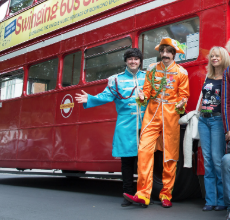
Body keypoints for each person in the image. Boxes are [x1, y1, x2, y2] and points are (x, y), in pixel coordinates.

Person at [75, 48, 146, 207]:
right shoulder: (116, 80)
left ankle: (143, 195)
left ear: (140, 61)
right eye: (130, 59)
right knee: (127, 162)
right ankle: (128, 194)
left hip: (146, 124)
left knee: (145, 162)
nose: (133, 61)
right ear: (126, 61)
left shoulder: (148, 77)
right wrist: (90, 98)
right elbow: (106, 96)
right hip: (125, 126)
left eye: (136, 59)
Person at [123, 38, 190, 208]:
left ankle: (166, 194)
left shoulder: (182, 72)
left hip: (171, 117)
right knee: (144, 151)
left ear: (174, 54)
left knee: (170, 156)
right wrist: (143, 95)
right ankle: (143, 194)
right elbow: (147, 90)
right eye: (163, 51)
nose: (165, 55)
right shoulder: (152, 69)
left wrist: (182, 103)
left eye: (168, 52)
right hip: (152, 115)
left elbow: (184, 95)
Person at [195, 46, 230, 211]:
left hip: (217, 121)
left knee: (218, 160)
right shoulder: (208, 76)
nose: (214, 58)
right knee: (208, 161)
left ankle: (223, 200)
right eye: (212, 56)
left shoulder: (228, 76)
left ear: (223, 57)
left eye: (217, 56)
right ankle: (210, 200)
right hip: (203, 120)